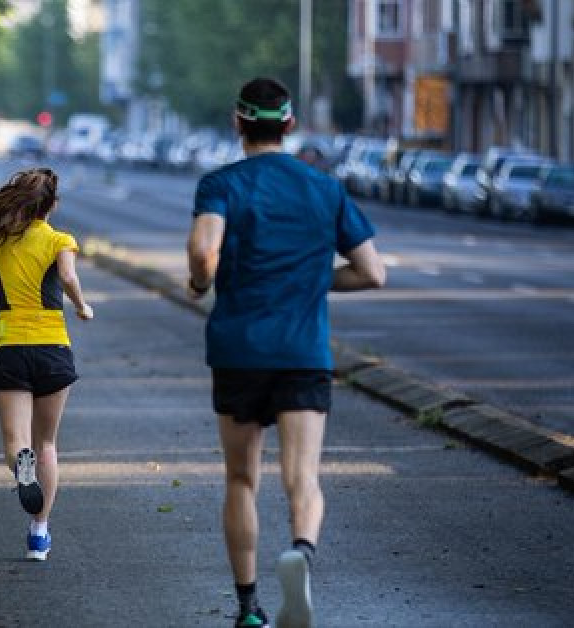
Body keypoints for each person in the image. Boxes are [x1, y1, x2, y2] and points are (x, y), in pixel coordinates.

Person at [186, 78, 386, 628]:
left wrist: (201, 282)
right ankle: (301, 550)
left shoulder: (222, 184)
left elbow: (205, 250)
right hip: (303, 350)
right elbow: (373, 271)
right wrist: (311, 279)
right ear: (290, 125)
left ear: (238, 123)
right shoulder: (324, 188)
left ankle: (249, 608)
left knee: (241, 479)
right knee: (304, 478)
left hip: (239, 350)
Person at [0, 167, 94, 562]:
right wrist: (80, 304)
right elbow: (69, 277)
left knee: (17, 443)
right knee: (48, 443)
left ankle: (22, 467)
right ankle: (39, 532)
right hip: (52, 346)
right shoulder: (59, 240)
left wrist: (6, 303)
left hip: (9, 347)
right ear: (51, 205)